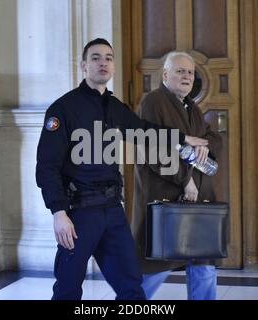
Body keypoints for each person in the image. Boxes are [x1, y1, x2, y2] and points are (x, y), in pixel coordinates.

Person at [36, 39, 206, 300]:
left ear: (113, 66)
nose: (103, 62)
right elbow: (47, 166)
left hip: (113, 211)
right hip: (79, 213)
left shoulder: (115, 107)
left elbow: (144, 132)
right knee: (68, 289)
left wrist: (182, 139)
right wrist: (58, 212)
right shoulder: (63, 109)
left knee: (131, 287)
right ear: (83, 66)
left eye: (108, 57)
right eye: (95, 58)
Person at [131, 51, 222, 300]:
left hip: (197, 204)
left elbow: (214, 138)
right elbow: (153, 148)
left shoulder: (191, 107)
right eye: (180, 71)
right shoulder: (153, 102)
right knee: (154, 268)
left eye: (190, 72)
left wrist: (203, 145)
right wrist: (186, 180)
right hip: (165, 199)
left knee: (203, 266)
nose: (187, 76)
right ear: (165, 74)